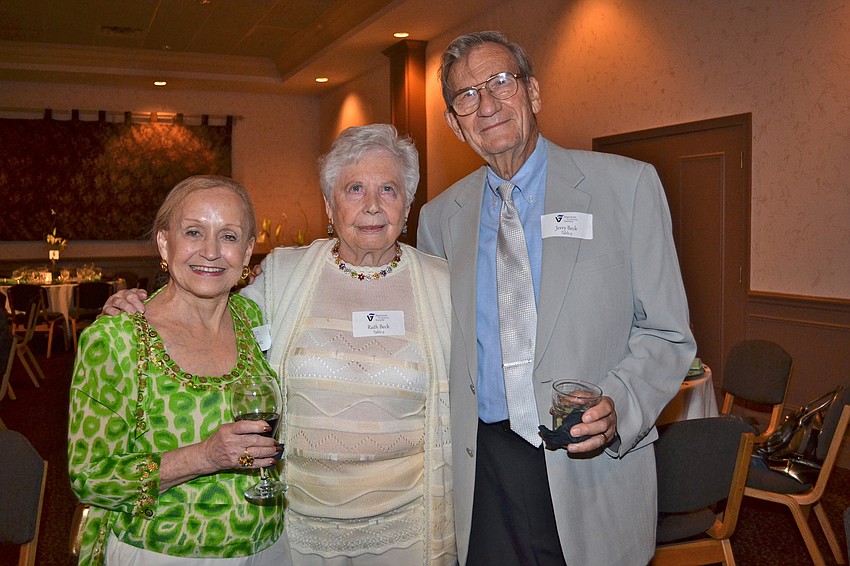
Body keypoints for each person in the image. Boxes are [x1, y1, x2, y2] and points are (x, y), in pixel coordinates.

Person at [103, 124, 456, 566]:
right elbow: (209, 321)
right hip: (299, 525)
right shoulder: (286, 275)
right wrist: (144, 309)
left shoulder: (443, 284)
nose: (371, 205)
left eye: (389, 189)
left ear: (407, 206)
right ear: (329, 204)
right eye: (354, 189)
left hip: (410, 526)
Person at [417, 31, 696, 566]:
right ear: (455, 123)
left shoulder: (626, 188)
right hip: (484, 470)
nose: (488, 104)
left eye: (501, 82)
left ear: (533, 93)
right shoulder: (439, 220)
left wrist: (619, 405)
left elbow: (667, 332)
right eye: (467, 95)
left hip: (588, 463)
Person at [69, 175, 290, 565]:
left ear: (248, 251)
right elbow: (90, 477)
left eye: (228, 236)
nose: (210, 251)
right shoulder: (116, 339)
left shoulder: (251, 316)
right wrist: (205, 456)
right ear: (164, 243)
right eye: (193, 232)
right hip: (167, 551)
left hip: (268, 545)